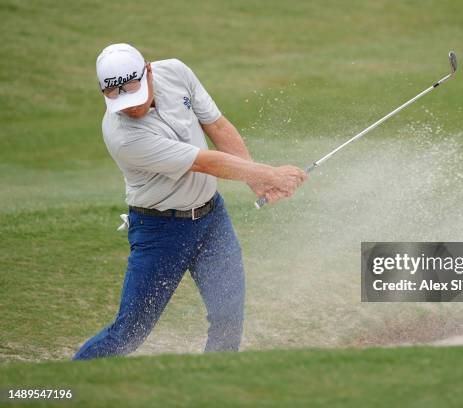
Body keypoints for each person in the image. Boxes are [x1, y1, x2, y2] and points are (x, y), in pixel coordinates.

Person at [73, 43, 307, 360]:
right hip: (160, 231)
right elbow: (204, 162)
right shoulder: (123, 136)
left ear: (149, 71)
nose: (131, 108)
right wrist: (269, 174)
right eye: (120, 102)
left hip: (212, 219)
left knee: (228, 318)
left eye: (136, 94)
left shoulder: (176, 71)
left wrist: (257, 180)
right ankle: (66, 386)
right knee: (129, 332)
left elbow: (217, 125)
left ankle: (213, 389)